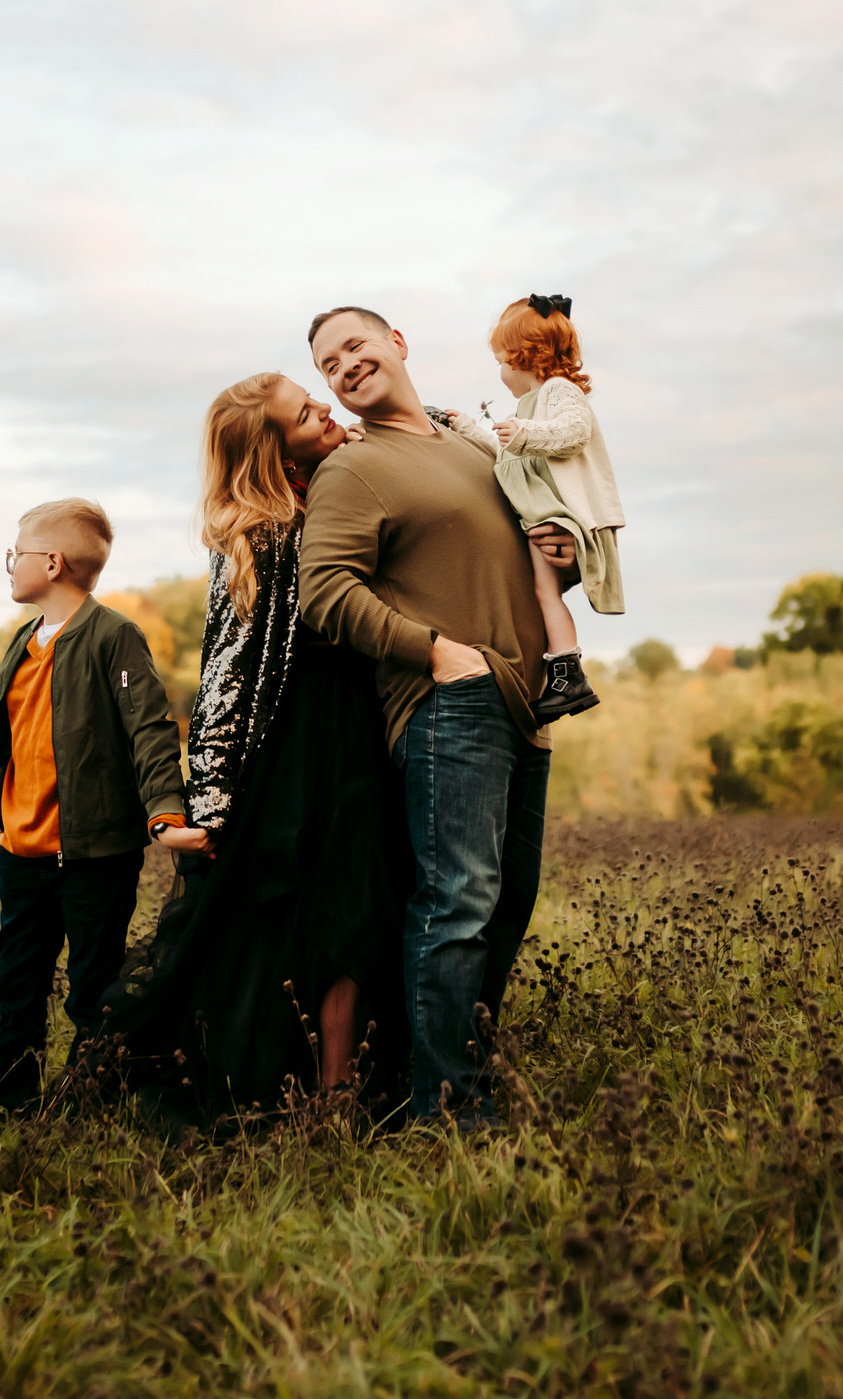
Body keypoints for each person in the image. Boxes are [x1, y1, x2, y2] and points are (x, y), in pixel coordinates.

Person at [100, 374, 411, 1123]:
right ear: (274, 451)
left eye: (317, 401)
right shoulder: (262, 533)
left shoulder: (339, 486)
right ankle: (286, 1087)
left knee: (356, 908)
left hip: (360, 732)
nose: (327, 411)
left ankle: (340, 1094)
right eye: (307, 415)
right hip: (292, 750)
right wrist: (205, 799)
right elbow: (226, 676)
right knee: (282, 918)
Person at [299, 306, 578, 1127]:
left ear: (397, 344)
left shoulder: (472, 448)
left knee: (508, 904)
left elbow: (518, 548)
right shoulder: (356, 469)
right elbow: (325, 593)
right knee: (458, 902)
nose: (344, 366)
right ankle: (450, 1110)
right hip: (446, 703)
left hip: (526, 704)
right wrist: (434, 654)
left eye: (355, 345)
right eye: (327, 364)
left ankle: (452, 1076)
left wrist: (558, 555)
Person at [0, 497, 208, 1114]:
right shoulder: (23, 643)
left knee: (92, 988)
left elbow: (150, 728)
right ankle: (12, 1103)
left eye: (15, 554)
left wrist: (166, 814)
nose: (8, 565)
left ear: (51, 564)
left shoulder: (113, 637)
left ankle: (88, 1105)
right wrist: (2, 821)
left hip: (95, 855)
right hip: (23, 853)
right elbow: (9, 742)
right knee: (17, 982)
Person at [444, 293, 624, 724]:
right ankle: (561, 672)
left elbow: (574, 431)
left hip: (555, 515)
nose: (501, 371)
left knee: (545, 592)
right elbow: (509, 455)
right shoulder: (530, 407)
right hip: (540, 514)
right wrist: (468, 429)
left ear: (527, 357)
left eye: (503, 360)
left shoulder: (559, 392)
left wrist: (523, 431)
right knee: (541, 593)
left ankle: (568, 673)